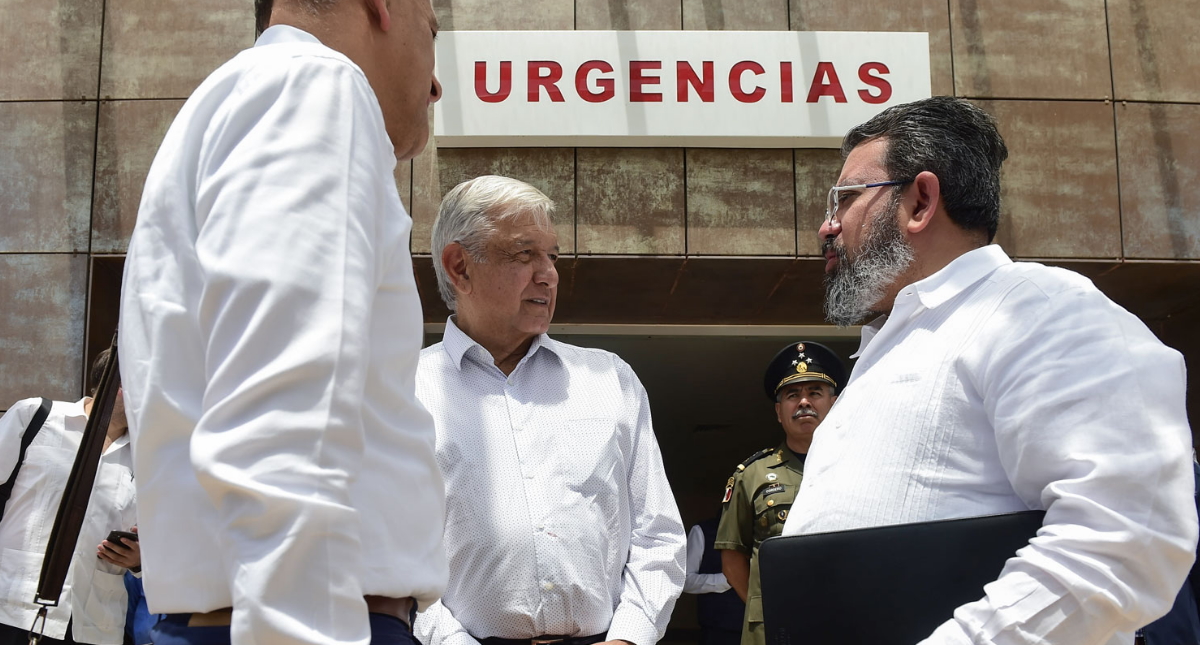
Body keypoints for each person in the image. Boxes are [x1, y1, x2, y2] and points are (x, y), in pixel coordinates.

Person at [781, 96, 1197, 644]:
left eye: (848, 199)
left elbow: (1126, 540)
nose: (826, 227)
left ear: (920, 202)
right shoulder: (888, 347)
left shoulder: (1040, 309)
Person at [117, 0, 446, 643]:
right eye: (431, 32)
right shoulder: (317, 85)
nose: (436, 83)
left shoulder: (240, 98)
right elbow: (286, 416)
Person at [413, 175, 687, 645]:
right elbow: (388, 554)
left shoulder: (609, 380)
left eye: (553, 256)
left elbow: (657, 532)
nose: (548, 274)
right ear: (459, 267)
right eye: (524, 254)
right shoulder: (404, 390)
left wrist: (629, 638)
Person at [0, 349, 140, 645]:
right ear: (110, 382)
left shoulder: (150, 458)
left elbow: (166, 542)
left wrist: (140, 561)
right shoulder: (36, 416)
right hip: (13, 607)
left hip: (95, 623)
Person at [715, 342, 845, 645]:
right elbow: (732, 557)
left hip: (845, 620)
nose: (803, 402)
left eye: (815, 392)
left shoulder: (860, 468)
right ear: (778, 411)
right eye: (792, 395)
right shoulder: (752, 475)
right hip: (774, 631)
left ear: (834, 403)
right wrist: (765, 608)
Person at [684, 518, 742, 645]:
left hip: (757, 626)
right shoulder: (702, 531)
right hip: (717, 629)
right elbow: (686, 580)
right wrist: (727, 580)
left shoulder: (757, 533)